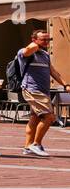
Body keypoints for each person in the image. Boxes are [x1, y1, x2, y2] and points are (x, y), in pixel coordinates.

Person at [19, 30, 67, 158]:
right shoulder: (26, 52)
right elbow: (27, 51)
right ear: (34, 40)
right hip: (32, 90)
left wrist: (65, 84)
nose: (47, 42)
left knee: (34, 119)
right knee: (49, 117)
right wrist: (35, 44)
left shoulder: (45, 55)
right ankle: (36, 144)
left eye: (48, 40)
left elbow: (53, 72)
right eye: (43, 40)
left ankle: (27, 147)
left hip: (43, 91)